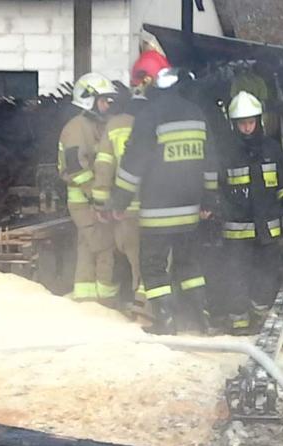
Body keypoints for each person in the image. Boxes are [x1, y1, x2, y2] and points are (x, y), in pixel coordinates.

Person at [109, 67, 219, 334]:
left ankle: (165, 322)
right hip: (191, 210)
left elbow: (133, 164)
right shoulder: (196, 114)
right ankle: (201, 319)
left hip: (158, 211)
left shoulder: (149, 116)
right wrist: (209, 200)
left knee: (154, 266)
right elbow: (211, 162)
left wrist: (119, 202)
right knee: (189, 264)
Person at [214, 90, 283, 332]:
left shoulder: (272, 149)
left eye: (251, 122)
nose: (247, 128)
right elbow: (217, 186)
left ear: (259, 121)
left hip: (267, 229)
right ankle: (239, 322)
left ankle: (260, 317)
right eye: (242, 124)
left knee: (266, 275)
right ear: (233, 125)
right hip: (237, 230)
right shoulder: (226, 152)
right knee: (236, 275)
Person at [91, 51, 170, 308]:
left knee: (136, 263)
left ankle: (140, 311)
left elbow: (104, 166)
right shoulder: (162, 120)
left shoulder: (114, 125)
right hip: (158, 209)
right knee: (156, 265)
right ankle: (147, 314)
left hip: (124, 212)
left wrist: (103, 204)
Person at [58, 72, 117, 302]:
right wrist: (97, 197)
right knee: (104, 246)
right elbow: (76, 169)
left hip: (91, 198)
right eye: (103, 100)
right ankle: (105, 300)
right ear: (87, 98)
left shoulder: (96, 126)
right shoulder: (76, 128)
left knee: (87, 245)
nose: (107, 105)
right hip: (84, 200)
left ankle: (85, 298)